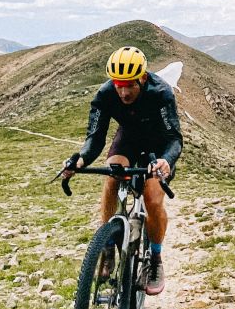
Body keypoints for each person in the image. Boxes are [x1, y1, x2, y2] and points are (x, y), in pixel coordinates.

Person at [62, 45, 182, 294]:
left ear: (143, 78)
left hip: (158, 145)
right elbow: (95, 138)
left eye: (129, 85)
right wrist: (80, 160)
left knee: (152, 198)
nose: (123, 91)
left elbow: (174, 139)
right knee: (112, 176)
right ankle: (107, 247)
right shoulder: (105, 94)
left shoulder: (161, 93)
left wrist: (166, 161)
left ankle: (156, 260)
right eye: (118, 84)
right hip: (128, 138)